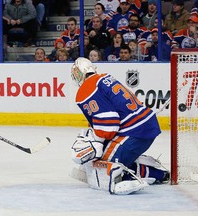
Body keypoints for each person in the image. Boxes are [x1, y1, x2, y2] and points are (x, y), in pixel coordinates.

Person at [70, 57, 169, 195]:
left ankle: (135, 171)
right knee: (105, 157)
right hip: (146, 125)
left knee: (102, 165)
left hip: (133, 131)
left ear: (79, 73)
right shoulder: (104, 78)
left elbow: (109, 125)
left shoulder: (86, 89)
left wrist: (95, 143)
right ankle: (155, 172)